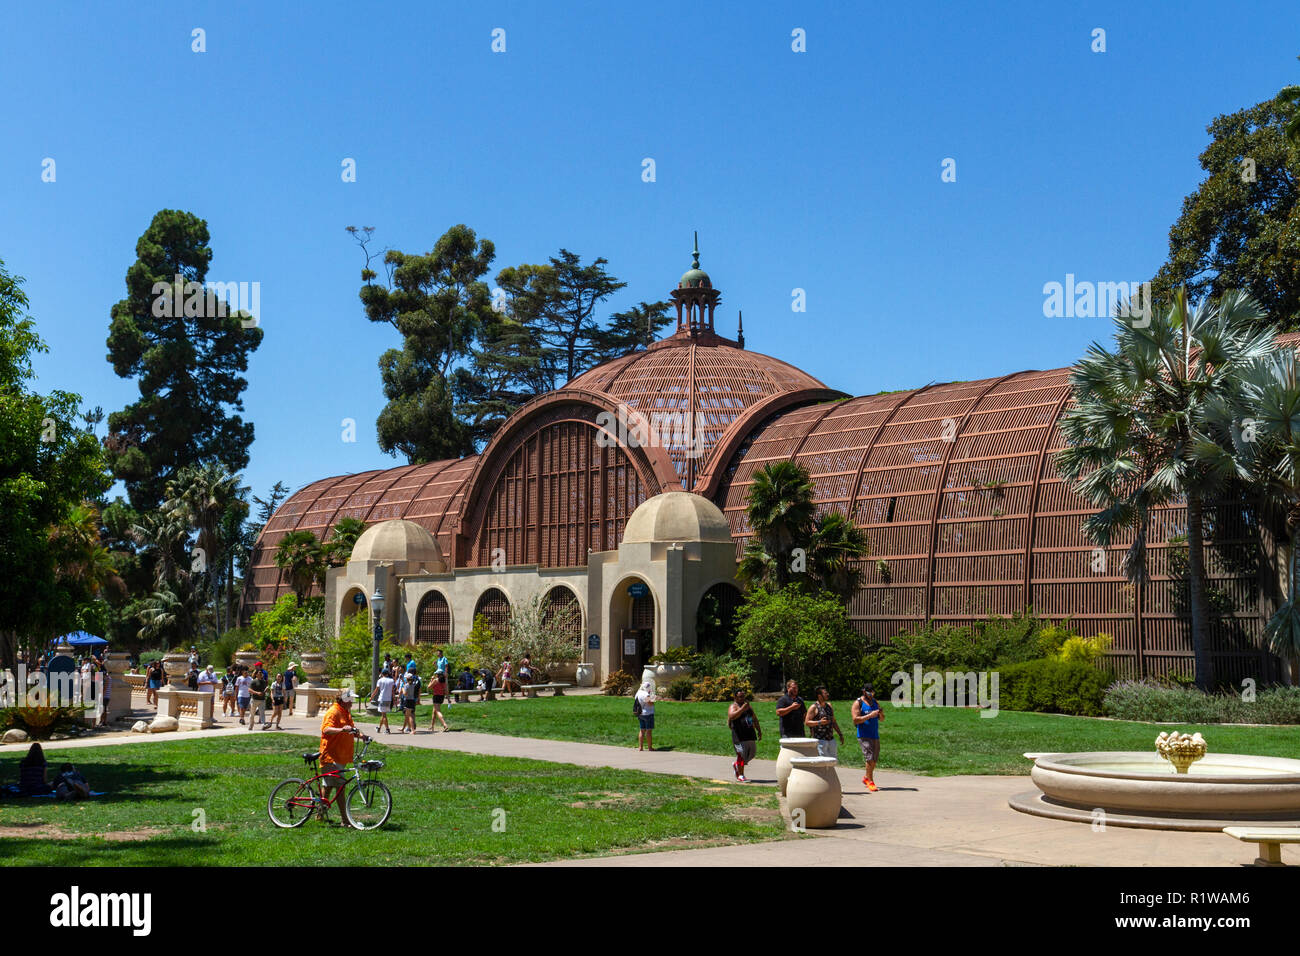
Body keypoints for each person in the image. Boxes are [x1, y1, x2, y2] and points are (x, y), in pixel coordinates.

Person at [318, 689, 367, 818]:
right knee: (340, 788)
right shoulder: (333, 712)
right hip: (331, 756)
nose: (352, 702)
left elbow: (350, 729)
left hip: (340, 756)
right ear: (344, 699)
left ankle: (320, 815)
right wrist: (341, 729)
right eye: (350, 700)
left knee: (328, 785)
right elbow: (326, 729)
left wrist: (362, 736)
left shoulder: (345, 712)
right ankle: (345, 819)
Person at [851, 682, 884, 792]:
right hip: (864, 735)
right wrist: (870, 715)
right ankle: (871, 781)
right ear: (864, 691)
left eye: (873, 693)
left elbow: (882, 719)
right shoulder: (858, 703)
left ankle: (866, 777)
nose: (871, 695)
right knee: (869, 758)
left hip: (875, 734)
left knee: (874, 759)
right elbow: (855, 719)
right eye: (869, 693)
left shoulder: (875, 702)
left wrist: (880, 713)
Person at [727, 689, 761, 782]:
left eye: (744, 696)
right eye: (740, 697)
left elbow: (754, 719)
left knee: (752, 753)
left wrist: (759, 730)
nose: (743, 698)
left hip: (749, 734)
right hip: (739, 736)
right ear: (735, 697)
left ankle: (737, 765)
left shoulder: (748, 707)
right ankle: (741, 775)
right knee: (741, 755)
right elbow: (732, 716)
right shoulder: (733, 706)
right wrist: (742, 709)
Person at [805, 686, 844, 758]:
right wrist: (819, 722)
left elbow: (833, 721)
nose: (827, 694)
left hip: (831, 739)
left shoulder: (829, 705)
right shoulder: (814, 707)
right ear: (819, 696)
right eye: (825, 693)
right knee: (823, 764)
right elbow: (807, 722)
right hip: (820, 741)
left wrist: (840, 734)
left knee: (833, 762)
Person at [634, 680, 656, 751]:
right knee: (649, 731)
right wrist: (653, 698)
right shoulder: (646, 694)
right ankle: (650, 747)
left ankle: (640, 747)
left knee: (642, 730)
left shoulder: (638, 693)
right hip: (648, 714)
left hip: (640, 714)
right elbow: (650, 703)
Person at [373, 668, 397, 734]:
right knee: (383, 714)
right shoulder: (391, 680)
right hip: (388, 699)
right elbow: (392, 691)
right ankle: (379, 728)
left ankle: (387, 729)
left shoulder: (380, 680)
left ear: (382, 674)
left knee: (384, 715)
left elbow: (376, 690)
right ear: (387, 674)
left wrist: (372, 696)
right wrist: (394, 699)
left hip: (382, 699)